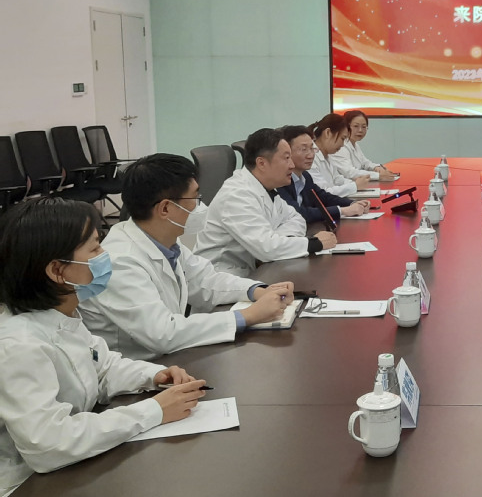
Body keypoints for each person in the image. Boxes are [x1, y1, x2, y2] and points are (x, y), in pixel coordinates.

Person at [0, 198, 206, 495]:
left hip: (73, 469)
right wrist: (154, 410)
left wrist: (153, 376)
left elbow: (102, 365)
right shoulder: (17, 345)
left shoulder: (61, 314)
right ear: (57, 270)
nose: (105, 255)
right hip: (24, 484)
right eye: (95, 248)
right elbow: (47, 444)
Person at [79, 154, 294, 361]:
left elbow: (206, 280)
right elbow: (163, 333)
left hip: (169, 361)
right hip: (138, 370)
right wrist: (248, 316)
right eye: (195, 198)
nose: (201, 206)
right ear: (165, 208)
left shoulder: (164, 240)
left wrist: (258, 290)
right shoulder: (120, 261)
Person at [195, 128, 338, 275]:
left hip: (256, 270)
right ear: (261, 163)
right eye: (286, 158)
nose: (292, 165)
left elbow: (297, 218)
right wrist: (314, 243)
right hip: (221, 277)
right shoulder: (236, 195)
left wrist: (279, 239)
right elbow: (267, 249)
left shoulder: (268, 189)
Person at [277, 125, 369, 224]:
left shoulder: (305, 176)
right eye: (304, 149)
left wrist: (352, 203)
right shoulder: (279, 181)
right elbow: (299, 213)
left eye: (312, 148)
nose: (311, 155)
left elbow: (323, 197)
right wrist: (343, 211)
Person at [307, 113, 370, 197]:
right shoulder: (310, 157)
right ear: (328, 133)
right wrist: (354, 186)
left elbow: (338, 179)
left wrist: (355, 183)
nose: (342, 145)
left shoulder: (327, 156)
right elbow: (323, 193)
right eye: (342, 139)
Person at [330, 110, 397, 182]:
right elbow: (349, 172)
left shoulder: (354, 144)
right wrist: (378, 176)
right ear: (346, 127)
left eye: (364, 127)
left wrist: (377, 168)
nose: (360, 130)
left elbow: (365, 163)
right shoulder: (341, 146)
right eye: (356, 126)